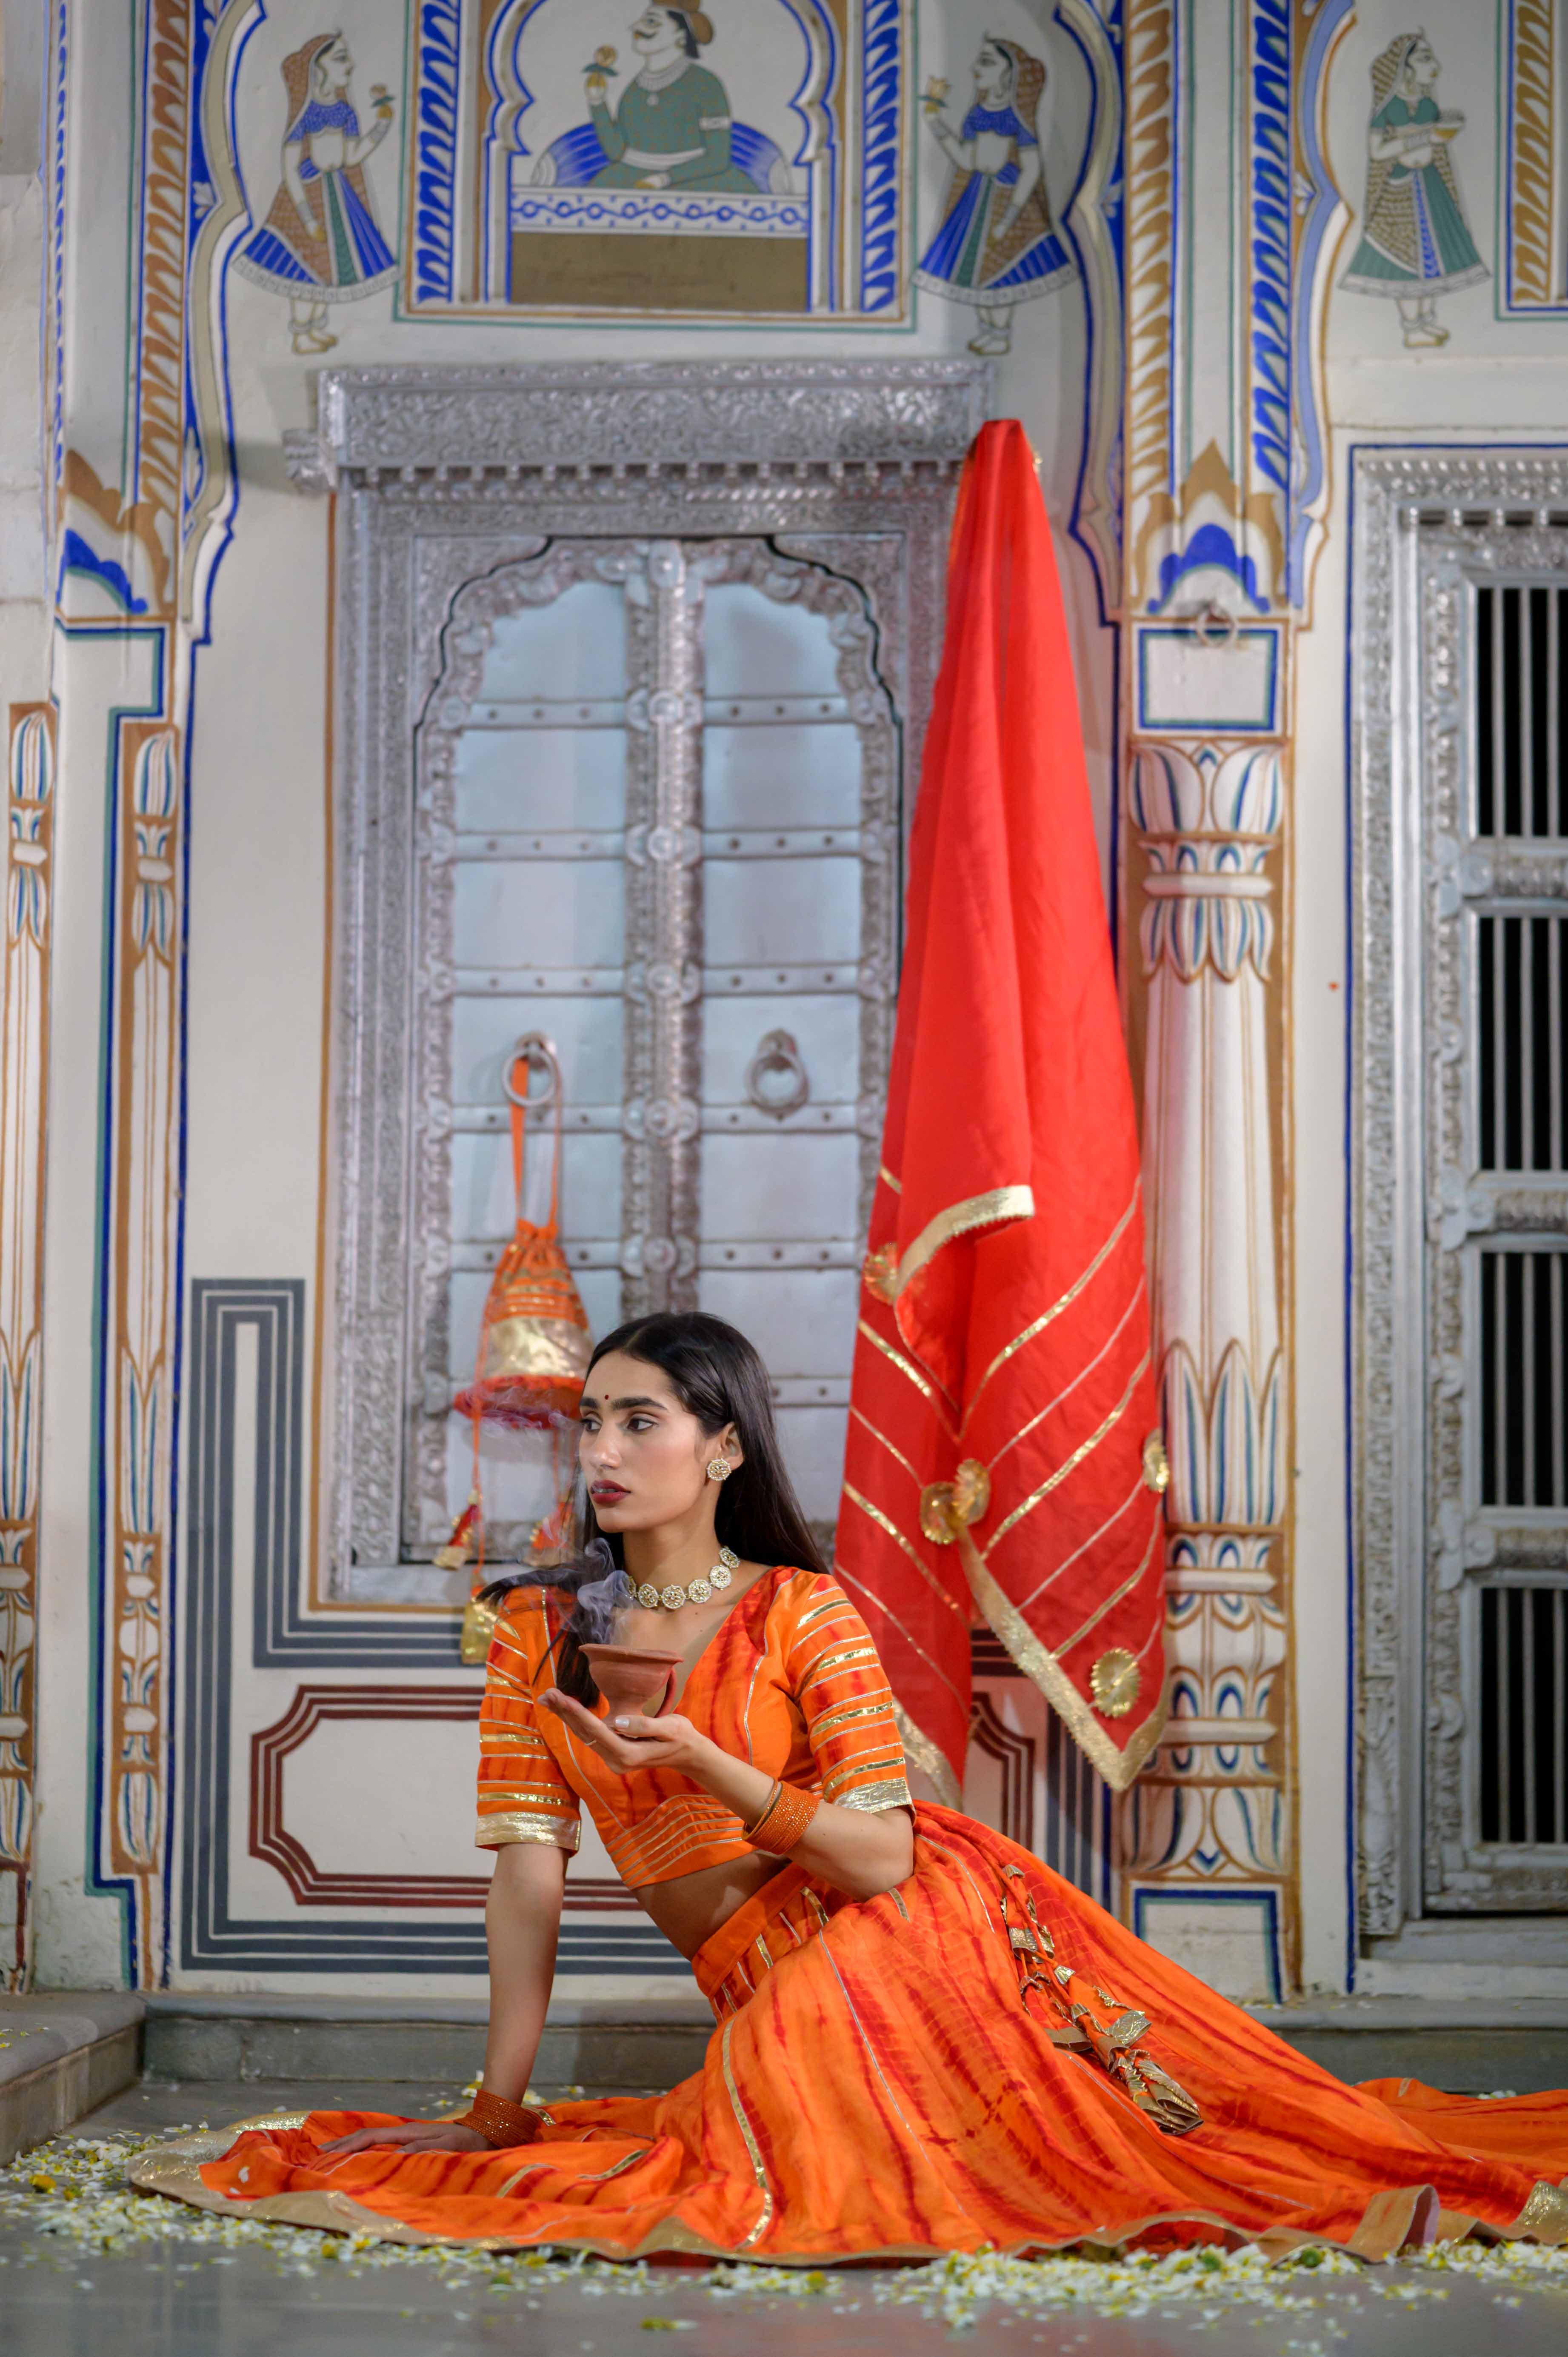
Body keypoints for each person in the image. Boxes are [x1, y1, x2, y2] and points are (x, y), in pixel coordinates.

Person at [139, 1312, 1568, 2259]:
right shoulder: (537, 1627)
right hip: (772, 1986)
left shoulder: (802, 1612)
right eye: (589, 1421)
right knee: (783, 2064)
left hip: (914, 1928)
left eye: (641, 1421)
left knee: (1136, 2134)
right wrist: (498, 2098)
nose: (602, 1451)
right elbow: (526, 1872)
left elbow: (881, 1862)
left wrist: (713, 1766)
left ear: (726, 1446)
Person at [234, 32, 397, 356]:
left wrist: (380, 127)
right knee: (306, 269)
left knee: (329, 268)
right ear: (317, 69)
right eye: (340, 59)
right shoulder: (304, 116)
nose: (349, 65)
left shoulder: (345, 112)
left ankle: (317, 327)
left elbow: (351, 158)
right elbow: (290, 168)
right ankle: (300, 334)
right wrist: (306, 216)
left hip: (338, 195)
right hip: (306, 198)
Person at [915, 35, 1074, 358]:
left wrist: (1010, 216)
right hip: (976, 199)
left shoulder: (1016, 118)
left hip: (1007, 200)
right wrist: (935, 123)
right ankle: (989, 332)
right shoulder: (977, 113)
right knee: (976, 273)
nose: (975, 68)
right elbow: (965, 161)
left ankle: (1000, 334)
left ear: (1009, 73)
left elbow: (1030, 170)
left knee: (999, 275)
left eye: (986, 62)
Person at [1339, 31, 1487, 349]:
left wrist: (1439, 133)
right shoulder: (1389, 106)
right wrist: (1421, 138)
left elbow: (1435, 134)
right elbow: (1377, 151)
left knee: (1434, 255)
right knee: (1406, 260)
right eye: (1424, 58)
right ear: (1403, 68)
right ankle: (1410, 327)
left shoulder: (1426, 101)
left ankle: (1425, 321)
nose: (1433, 65)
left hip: (1430, 183)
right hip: (1402, 188)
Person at [585, 6, 753, 195]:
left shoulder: (706, 85)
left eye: (651, 22)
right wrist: (597, 101)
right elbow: (617, 153)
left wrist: (665, 178)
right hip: (631, 176)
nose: (636, 27)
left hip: (694, 180)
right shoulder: (634, 91)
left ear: (682, 36)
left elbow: (718, 159)